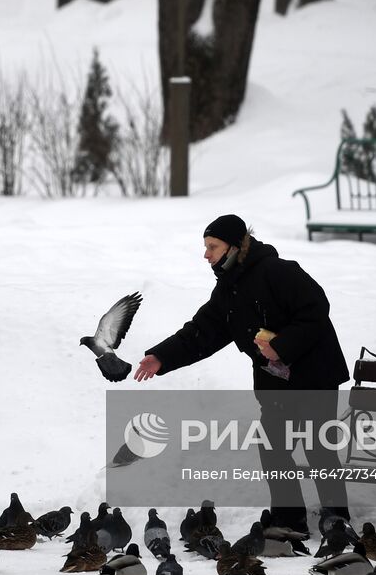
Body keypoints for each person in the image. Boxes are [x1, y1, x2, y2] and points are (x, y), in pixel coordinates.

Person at [134, 214, 350, 536]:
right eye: (205, 246)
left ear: (235, 246)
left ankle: (337, 519)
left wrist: (282, 345)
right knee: (274, 446)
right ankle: (288, 520)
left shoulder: (277, 271)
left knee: (318, 446)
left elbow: (316, 309)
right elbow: (201, 333)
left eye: (213, 246)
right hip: (274, 381)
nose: (206, 254)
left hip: (314, 374)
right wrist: (161, 357)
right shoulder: (228, 289)